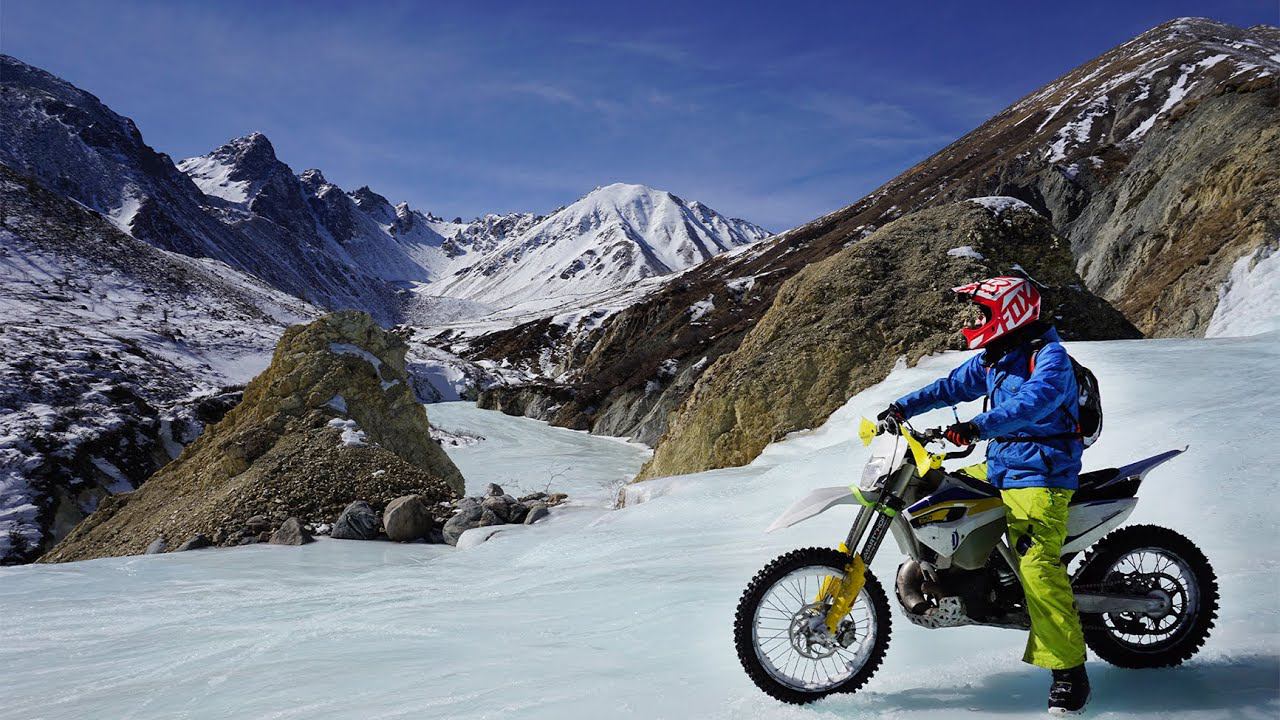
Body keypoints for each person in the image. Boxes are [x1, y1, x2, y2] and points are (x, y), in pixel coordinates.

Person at [878, 276, 1090, 715]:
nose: (975, 321)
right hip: (1000, 466)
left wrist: (978, 427)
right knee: (937, 492)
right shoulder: (997, 357)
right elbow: (949, 388)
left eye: (982, 313)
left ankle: (1069, 672)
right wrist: (902, 407)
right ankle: (969, 576)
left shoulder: (1050, 358)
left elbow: (1036, 402)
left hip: (1042, 472)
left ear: (1010, 311)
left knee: (1036, 564)